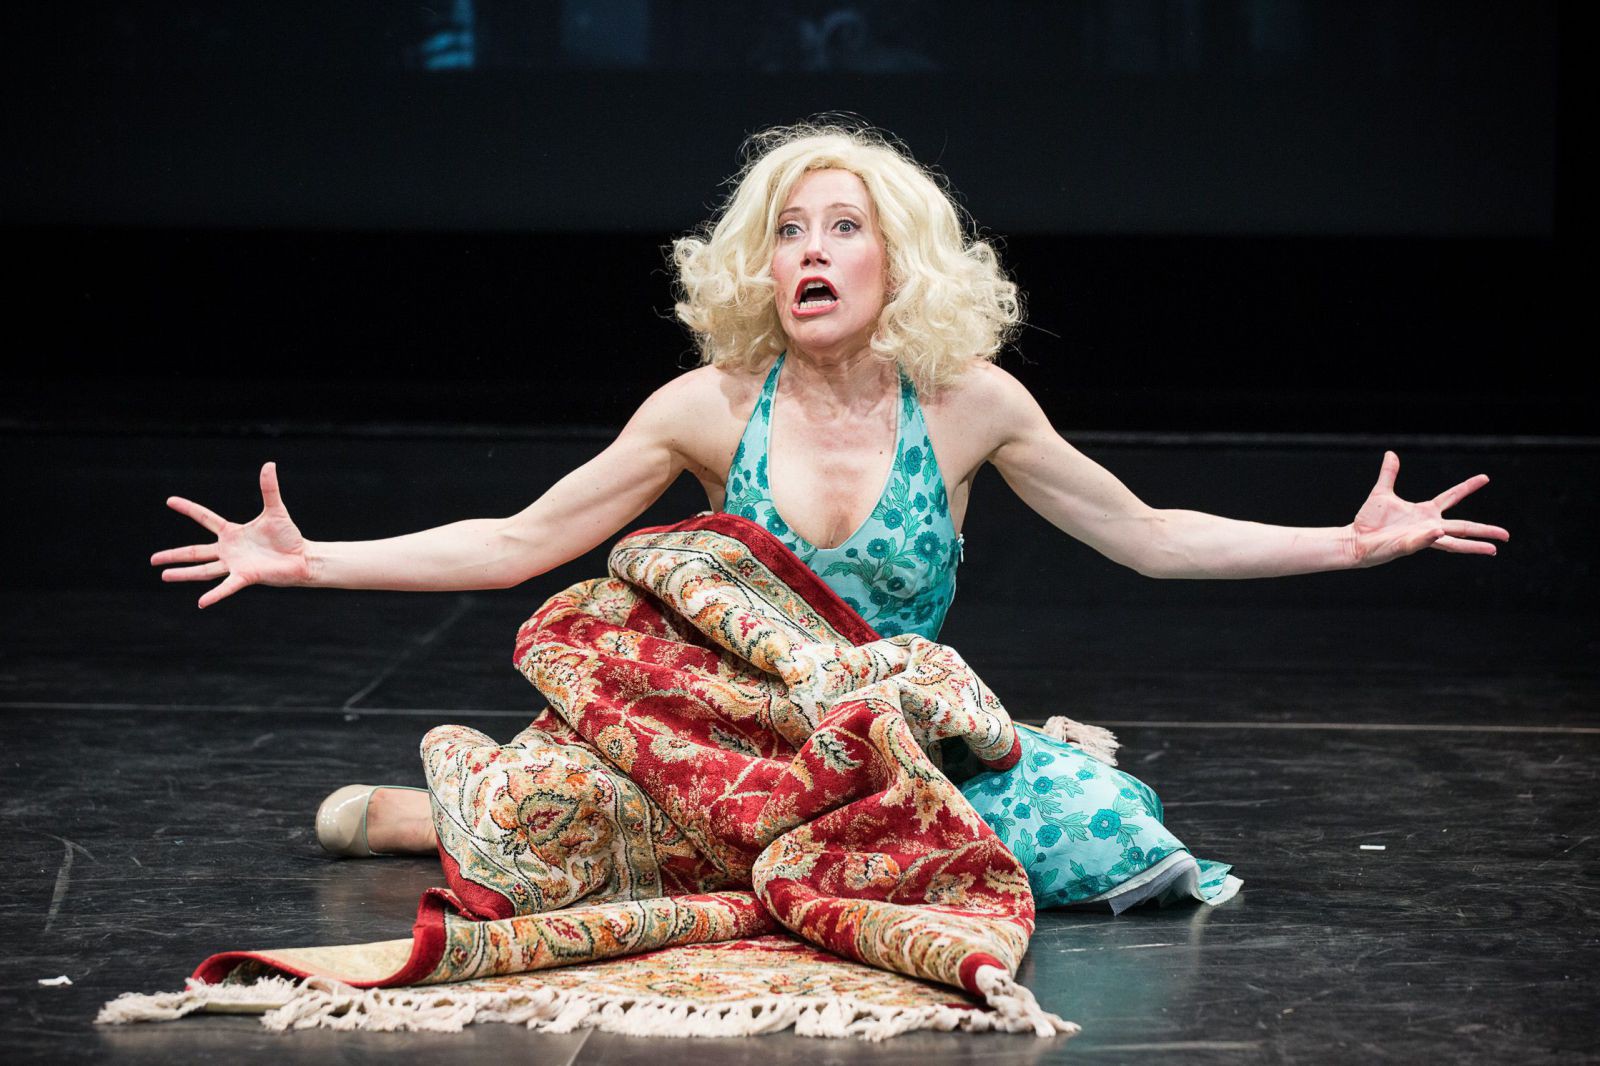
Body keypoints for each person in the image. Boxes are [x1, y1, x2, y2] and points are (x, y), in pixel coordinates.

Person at [150, 122, 1508, 858]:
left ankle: (991, 757)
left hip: (891, 742)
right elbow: (519, 540)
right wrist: (310, 560)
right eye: (789, 231)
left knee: (1107, 836)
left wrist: (1344, 544)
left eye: (842, 227)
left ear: (895, 262)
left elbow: (1148, 535)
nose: (811, 250)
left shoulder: (970, 403)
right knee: (581, 825)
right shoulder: (706, 405)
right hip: (733, 739)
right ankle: (453, 810)